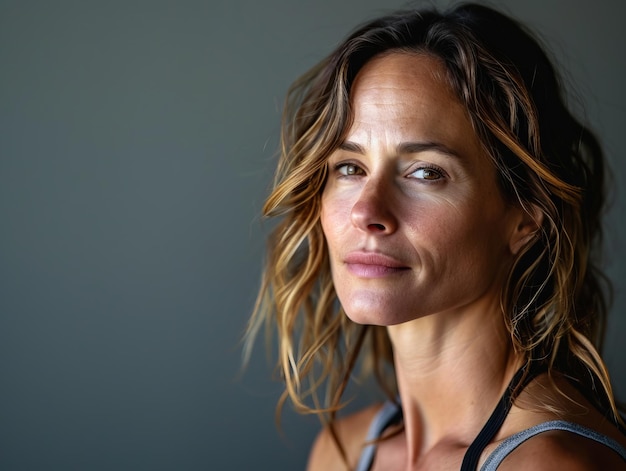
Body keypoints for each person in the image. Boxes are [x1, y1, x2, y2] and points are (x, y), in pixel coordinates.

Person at [244, 3, 626, 469]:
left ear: (525, 218)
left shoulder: (549, 464)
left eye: (425, 172)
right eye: (349, 167)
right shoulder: (341, 454)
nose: (367, 211)